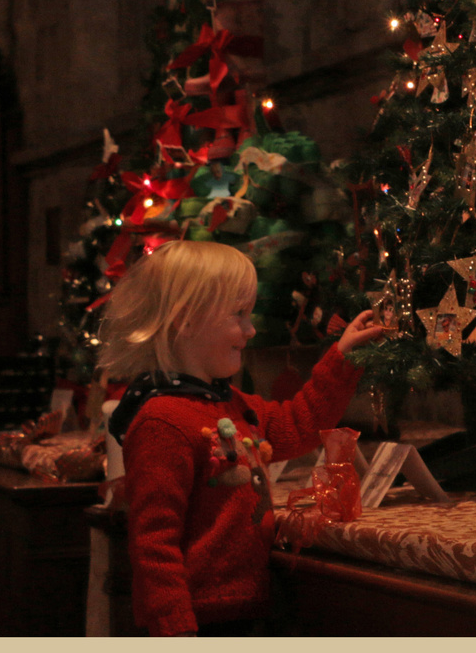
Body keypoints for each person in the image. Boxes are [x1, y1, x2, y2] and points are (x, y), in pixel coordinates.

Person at [100, 240, 386, 637]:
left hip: (250, 610)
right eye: (239, 315)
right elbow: (154, 544)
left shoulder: (234, 405)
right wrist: (175, 629)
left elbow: (299, 425)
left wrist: (342, 356)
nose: (251, 330)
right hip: (201, 622)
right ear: (186, 319)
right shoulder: (162, 422)